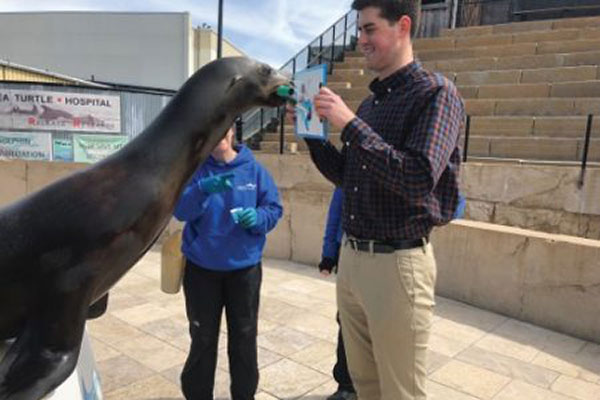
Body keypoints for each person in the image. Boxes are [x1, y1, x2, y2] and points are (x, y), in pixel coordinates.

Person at [289, 0, 466, 398]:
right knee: (365, 386)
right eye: (359, 30)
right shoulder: (372, 104)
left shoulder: (436, 94)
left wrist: (349, 124)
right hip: (353, 259)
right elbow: (347, 177)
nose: (360, 39)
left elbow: (418, 178)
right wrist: (314, 136)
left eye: (369, 29)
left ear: (402, 26)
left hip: (397, 266)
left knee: (400, 391)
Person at [173, 127, 283, 400]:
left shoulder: (254, 171)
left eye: (222, 134)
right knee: (202, 338)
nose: (217, 141)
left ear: (232, 133)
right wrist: (201, 190)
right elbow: (180, 211)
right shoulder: (196, 171)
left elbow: (273, 208)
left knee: (244, 339)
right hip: (202, 271)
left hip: (244, 271)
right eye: (210, 136)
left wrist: (257, 218)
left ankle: (244, 396)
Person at [318, 187, 356, 400]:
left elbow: (454, 203)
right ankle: (346, 385)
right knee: (347, 321)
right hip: (349, 253)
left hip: (391, 254)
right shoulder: (352, 162)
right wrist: (328, 254)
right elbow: (335, 214)